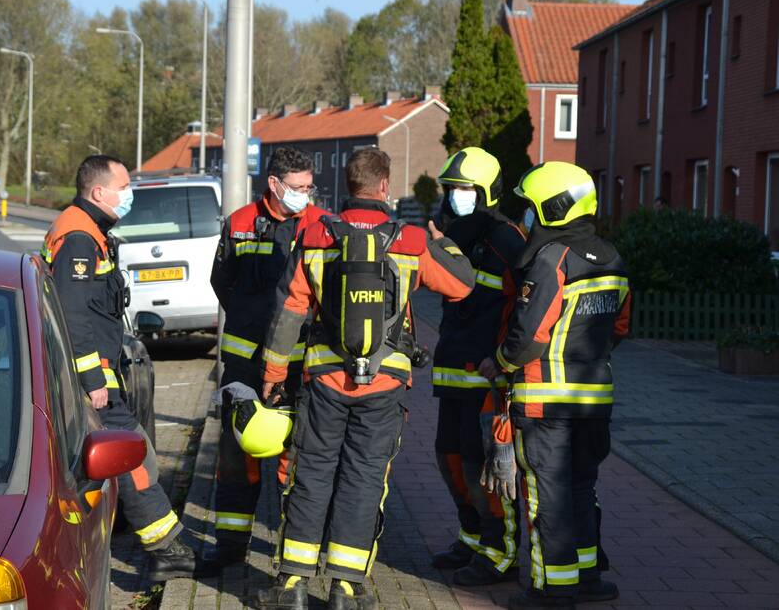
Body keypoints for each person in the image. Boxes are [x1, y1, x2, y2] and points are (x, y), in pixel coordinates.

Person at [257, 147, 476, 610]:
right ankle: (346, 588)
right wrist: (446, 240)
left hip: (323, 378)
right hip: (386, 383)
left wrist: (275, 375)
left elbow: (289, 311)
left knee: (310, 473)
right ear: (384, 187)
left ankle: (292, 585)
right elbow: (462, 284)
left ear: (347, 187)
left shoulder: (317, 233)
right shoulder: (411, 239)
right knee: (364, 478)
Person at [478, 161, 630, 610]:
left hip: (545, 405)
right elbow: (620, 327)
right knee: (583, 489)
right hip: (595, 401)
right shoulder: (612, 257)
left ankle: (553, 591)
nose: (526, 217)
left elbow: (530, 336)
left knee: (547, 500)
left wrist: (501, 362)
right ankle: (586, 578)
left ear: (552, 207)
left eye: (530, 208)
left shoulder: (551, 260)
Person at [42, 155, 196, 582]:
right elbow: (73, 317)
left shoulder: (88, 230)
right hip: (89, 375)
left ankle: (86, 543)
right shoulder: (78, 237)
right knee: (133, 454)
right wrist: (93, 380)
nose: (130, 193)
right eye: (124, 186)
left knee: (103, 464)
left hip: (93, 370)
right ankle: (165, 549)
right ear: (98, 192)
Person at [207, 146, 326, 568]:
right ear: (274, 185)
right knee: (237, 455)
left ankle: (293, 554)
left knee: (296, 457)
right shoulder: (240, 222)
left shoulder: (319, 226)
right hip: (243, 362)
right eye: (297, 188)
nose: (305, 196)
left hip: (298, 366)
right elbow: (222, 281)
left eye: (310, 187)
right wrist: (249, 318)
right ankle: (230, 547)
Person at [429, 148, 525, 585]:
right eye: (451, 190)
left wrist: (505, 359)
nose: (455, 197)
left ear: (486, 193)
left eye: (464, 189)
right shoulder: (449, 233)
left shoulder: (508, 240)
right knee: (449, 457)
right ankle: (470, 537)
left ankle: (499, 553)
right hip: (452, 369)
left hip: (488, 377)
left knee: (484, 466)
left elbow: (529, 306)